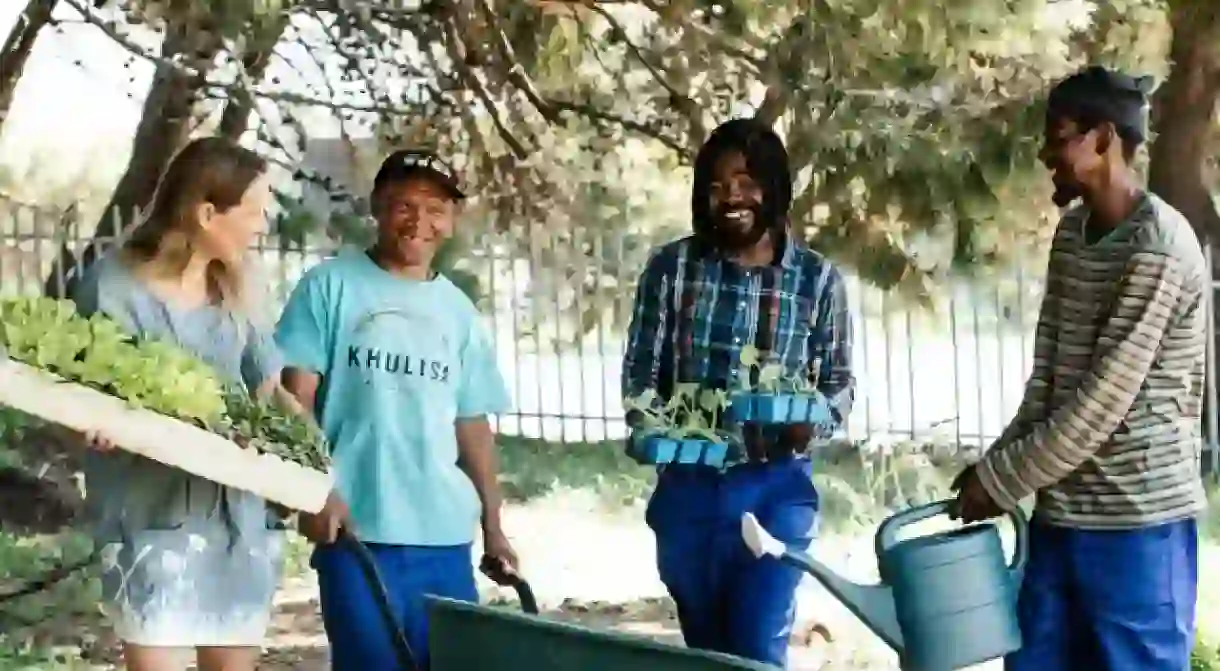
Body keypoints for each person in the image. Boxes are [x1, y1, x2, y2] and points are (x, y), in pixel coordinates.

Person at [950, 65, 1205, 671]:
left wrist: (1003, 479)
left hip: (1138, 530)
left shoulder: (1160, 245)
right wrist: (995, 465)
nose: (1045, 154)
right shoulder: (1072, 234)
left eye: (1058, 137)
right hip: (1060, 524)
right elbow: (1050, 383)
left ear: (1103, 140)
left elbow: (1099, 404)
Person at [71, 137, 349, 671]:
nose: (262, 225)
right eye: (254, 211)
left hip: (236, 531)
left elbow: (272, 393)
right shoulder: (111, 288)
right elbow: (80, 401)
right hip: (151, 528)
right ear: (205, 213)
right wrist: (94, 425)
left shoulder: (239, 288)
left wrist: (321, 476)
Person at [620, 118, 855, 667]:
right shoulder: (673, 269)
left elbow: (839, 386)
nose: (732, 197)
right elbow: (639, 375)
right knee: (706, 651)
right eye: (717, 186)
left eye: (747, 182)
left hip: (775, 488)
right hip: (688, 490)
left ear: (772, 189)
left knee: (755, 648)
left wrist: (809, 422)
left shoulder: (817, 281)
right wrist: (649, 426)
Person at [275, 148, 517, 669]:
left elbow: (471, 423)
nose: (419, 222)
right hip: (357, 531)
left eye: (435, 209)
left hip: (444, 538)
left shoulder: (457, 310)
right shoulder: (329, 286)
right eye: (405, 205)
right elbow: (295, 400)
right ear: (378, 208)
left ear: (451, 222)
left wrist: (493, 526)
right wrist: (310, 491)